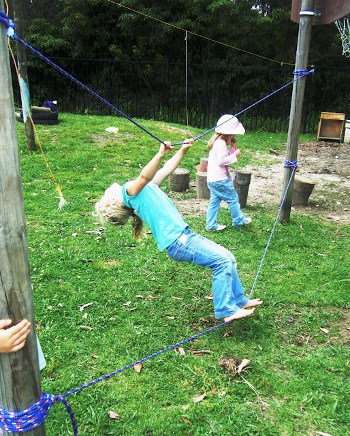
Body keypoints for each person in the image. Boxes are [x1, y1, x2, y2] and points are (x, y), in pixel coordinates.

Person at [95, 139, 262, 323]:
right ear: (116, 202)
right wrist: (159, 154)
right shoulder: (130, 193)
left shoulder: (143, 191)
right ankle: (225, 310)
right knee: (221, 262)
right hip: (179, 242)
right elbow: (143, 176)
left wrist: (182, 151)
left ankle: (239, 300)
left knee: (228, 257)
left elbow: (165, 170)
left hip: (184, 237)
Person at [206, 114, 252, 231]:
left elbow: (224, 157)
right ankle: (238, 221)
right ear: (229, 133)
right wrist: (235, 154)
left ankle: (210, 225)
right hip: (221, 180)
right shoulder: (221, 144)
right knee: (233, 199)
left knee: (214, 202)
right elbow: (222, 161)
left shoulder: (217, 142)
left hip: (212, 179)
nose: (234, 136)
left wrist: (233, 148)